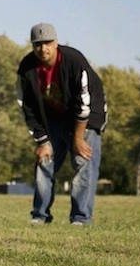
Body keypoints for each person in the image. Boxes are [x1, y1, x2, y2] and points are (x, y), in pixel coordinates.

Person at [16, 23, 107, 225]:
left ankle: (80, 218)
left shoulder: (74, 61)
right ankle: (40, 216)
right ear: (32, 45)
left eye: (47, 43)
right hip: (54, 118)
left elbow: (85, 103)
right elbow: (27, 107)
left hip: (87, 115)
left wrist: (77, 139)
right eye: (38, 44)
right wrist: (42, 141)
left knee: (83, 162)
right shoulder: (27, 68)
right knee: (44, 161)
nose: (43, 49)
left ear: (56, 42)